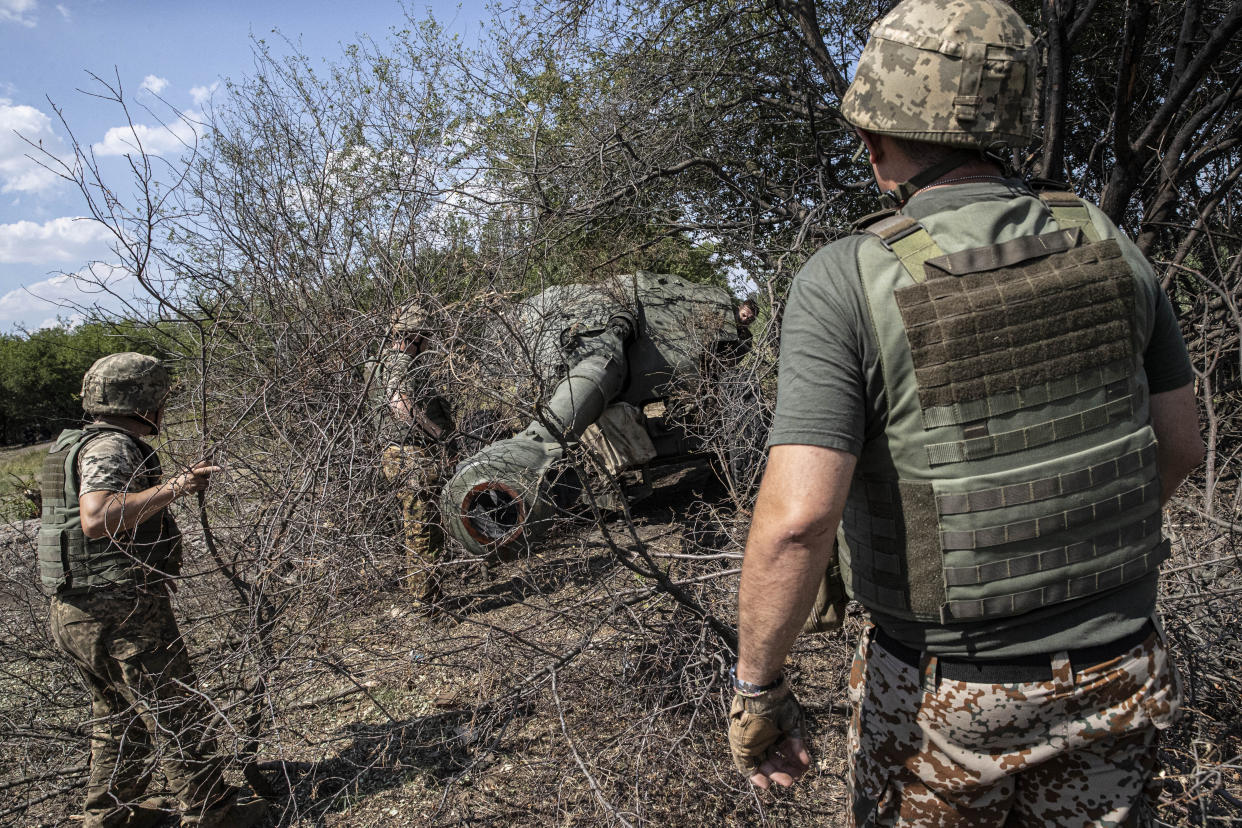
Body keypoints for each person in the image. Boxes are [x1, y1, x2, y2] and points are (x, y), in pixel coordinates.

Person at [727, 0, 1206, 824]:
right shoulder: (1105, 238)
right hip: (1120, 670)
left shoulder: (847, 280)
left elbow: (798, 521)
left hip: (945, 696)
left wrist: (757, 688)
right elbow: (1181, 447)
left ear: (876, 142)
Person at [38, 353, 267, 828]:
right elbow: (99, 518)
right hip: (119, 610)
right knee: (175, 711)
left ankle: (110, 817)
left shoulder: (73, 445)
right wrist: (178, 486)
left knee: (118, 722)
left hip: (76, 610)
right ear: (143, 400)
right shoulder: (111, 449)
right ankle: (213, 814)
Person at [375, 301, 457, 604]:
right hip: (411, 457)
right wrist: (438, 436)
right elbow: (400, 404)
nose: (430, 342)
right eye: (426, 336)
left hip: (404, 456)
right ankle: (428, 606)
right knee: (424, 534)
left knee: (418, 529)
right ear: (415, 336)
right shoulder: (399, 362)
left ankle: (424, 599)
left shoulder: (383, 361)